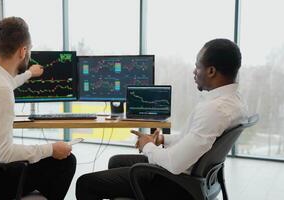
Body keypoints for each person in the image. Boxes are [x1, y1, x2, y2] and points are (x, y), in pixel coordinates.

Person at [76, 38, 248, 200]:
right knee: (116, 161)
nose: (194, 71)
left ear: (211, 71)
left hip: (175, 184)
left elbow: (174, 163)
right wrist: (162, 139)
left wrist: (147, 145)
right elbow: (195, 139)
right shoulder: (234, 102)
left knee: (85, 184)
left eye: (198, 66)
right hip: (193, 177)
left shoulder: (215, 109)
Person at [0, 17, 76, 200]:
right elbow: (4, 154)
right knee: (65, 162)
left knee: (40, 159)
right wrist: (51, 148)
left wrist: (28, 74)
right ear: (23, 51)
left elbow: (4, 84)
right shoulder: (0, 89)